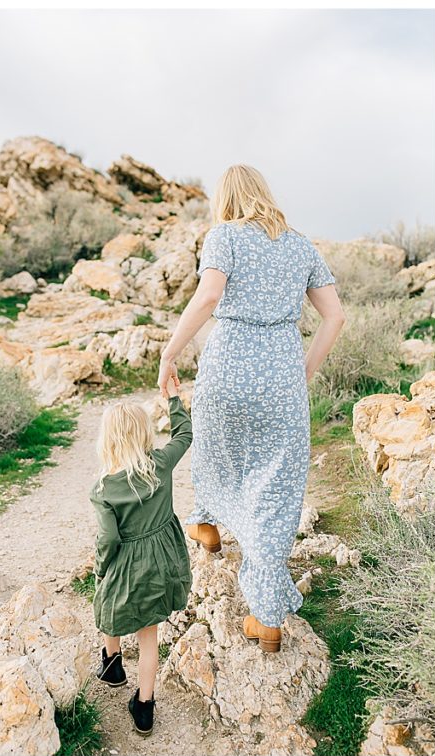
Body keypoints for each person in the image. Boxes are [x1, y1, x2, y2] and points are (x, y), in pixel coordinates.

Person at [158, 164, 345, 653]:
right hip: (281, 377)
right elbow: (335, 316)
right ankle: (266, 618)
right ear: (264, 193)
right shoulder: (301, 245)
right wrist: (303, 371)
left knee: (217, 450)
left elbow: (210, 294)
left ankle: (205, 523)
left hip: (228, 369)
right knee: (274, 490)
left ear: (226, 198)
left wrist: (169, 351)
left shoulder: (225, 236)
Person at [91, 373, 193, 737]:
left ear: (109, 440)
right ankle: (145, 707)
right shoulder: (160, 463)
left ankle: (112, 664)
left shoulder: (103, 489)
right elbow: (185, 435)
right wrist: (174, 400)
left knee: (106, 603)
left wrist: (101, 569)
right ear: (143, 434)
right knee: (149, 636)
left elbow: (108, 540)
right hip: (162, 561)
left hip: (125, 564)